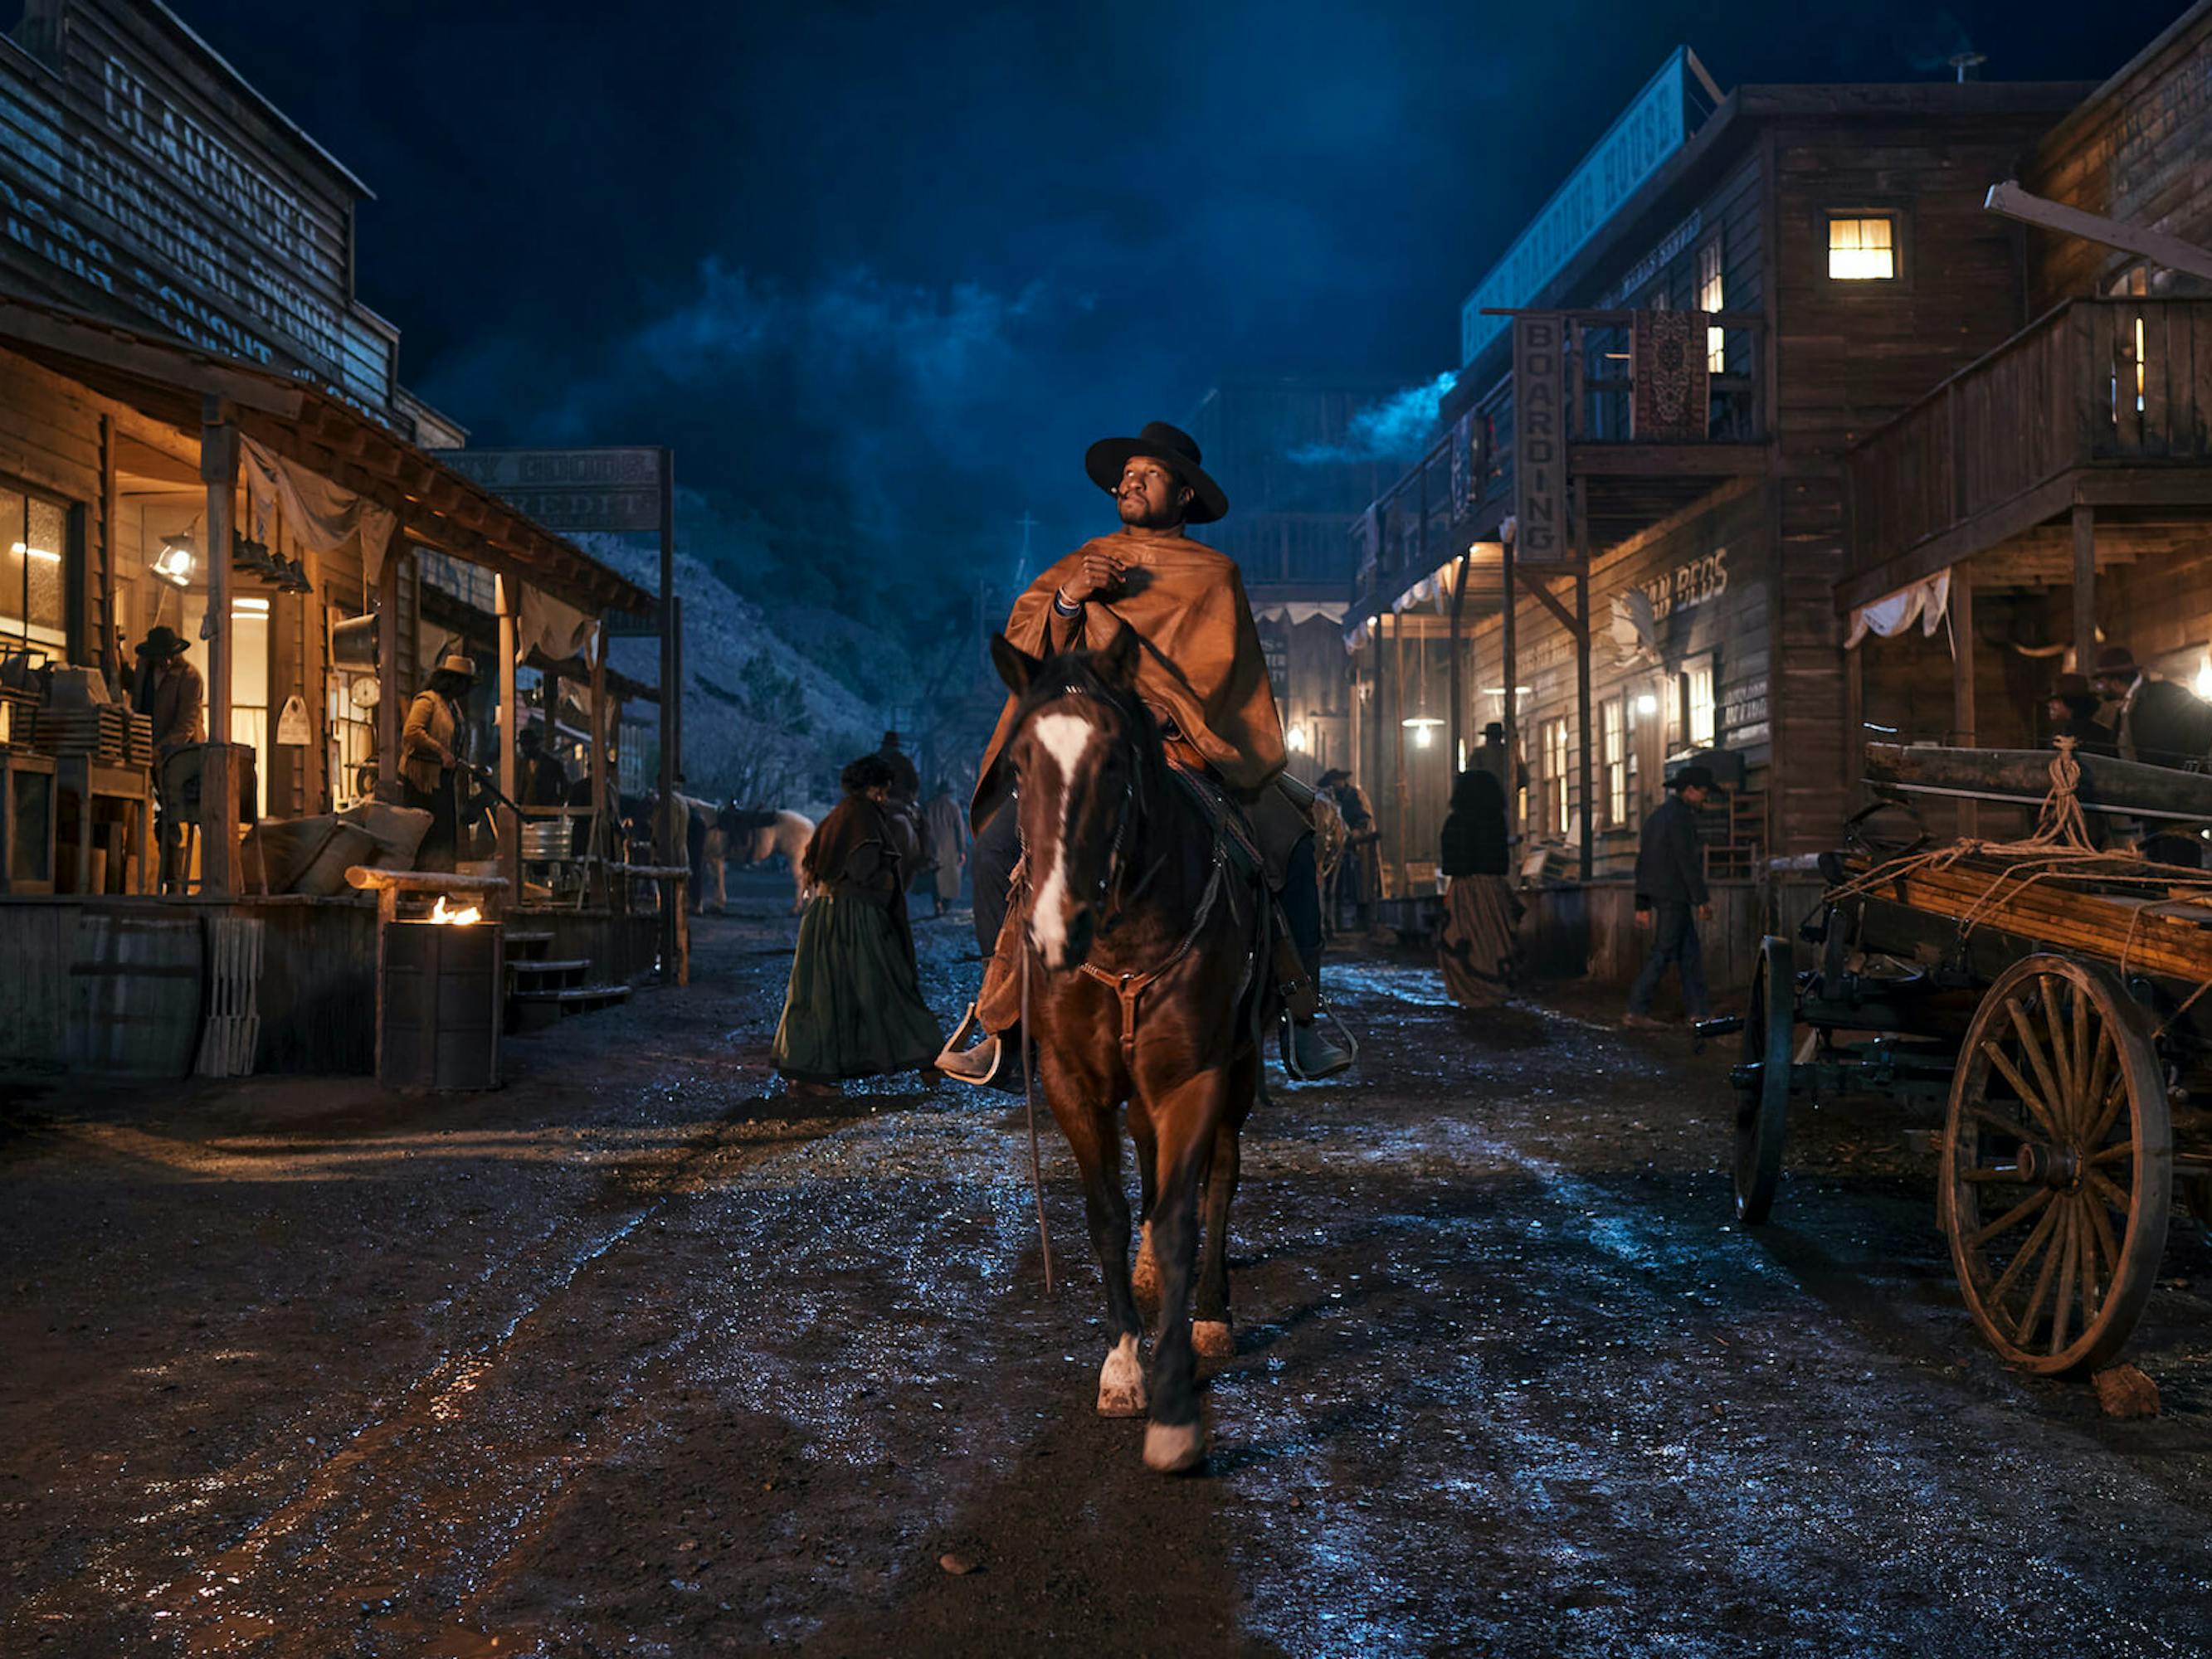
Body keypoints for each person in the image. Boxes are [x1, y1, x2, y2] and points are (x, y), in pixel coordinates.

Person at [938, 420, 1352, 1084]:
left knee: (1290, 839)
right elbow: (1025, 653)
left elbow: (1229, 680)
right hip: (1091, 748)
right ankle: (1004, 1022)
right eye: (1125, 475)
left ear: (1185, 494)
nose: (1130, 482)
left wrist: (1170, 712)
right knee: (994, 852)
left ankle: (1300, 1018)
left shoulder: (1215, 576)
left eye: (1148, 474)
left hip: (1187, 753)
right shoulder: (1085, 560)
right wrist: (1071, 598)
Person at [772, 753, 943, 1093]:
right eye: (882, 791)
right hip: (855, 918)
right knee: (885, 985)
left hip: (823, 918)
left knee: (823, 994)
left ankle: (810, 1072)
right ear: (875, 788)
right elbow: (865, 870)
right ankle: (927, 1059)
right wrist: (889, 887)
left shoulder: (836, 816)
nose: (883, 797)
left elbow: (815, 866)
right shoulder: (864, 816)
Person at [1625, 763, 1716, 1029]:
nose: (1705, 798)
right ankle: (1636, 1008)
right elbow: (1686, 861)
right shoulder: (1681, 818)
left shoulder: (1657, 817)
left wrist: (1641, 902)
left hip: (1663, 894)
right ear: (1690, 791)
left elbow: (1643, 861)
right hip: (1675, 895)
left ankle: (1698, 1011)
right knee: (1664, 952)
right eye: (1703, 792)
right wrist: (1701, 899)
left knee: (1689, 952)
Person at [1438, 768, 1519, 1009]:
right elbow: (1500, 859)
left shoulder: (1457, 821)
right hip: (1493, 887)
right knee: (1493, 938)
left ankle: (1473, 990)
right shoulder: (1496, 820)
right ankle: (1494, 987)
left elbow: (1453, 860)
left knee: (1467, 938)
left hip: (1466, 888)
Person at [134, 625, 205, 891]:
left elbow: (185, 725)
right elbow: (139, 701)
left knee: (176, 817)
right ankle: (167, 881)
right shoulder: (145, 670)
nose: (163, 661)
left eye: (167, 656)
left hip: (181, 757)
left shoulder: (189, 678)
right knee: (163, 820)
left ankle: (176, 885)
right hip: (148, 752)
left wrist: (160, 749)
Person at [401, 654, 479, 873]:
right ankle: (423, 883)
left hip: (443, 778)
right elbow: (412, 732)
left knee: (445, 832)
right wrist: (441, 751)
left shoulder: (451, 706)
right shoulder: (428, 701)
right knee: (428, 833)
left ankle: (441, 883)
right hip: (422, 779)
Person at [2091, 645, 2212, 770]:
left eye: (2101, 684)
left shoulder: (2163, 693)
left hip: (2172, 782)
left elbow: (2207, 718)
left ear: (2115, 682)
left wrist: (2187, 765)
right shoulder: (2124, 708)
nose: (2100, 690)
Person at [1318, 767, 1380, 932]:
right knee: (1334, 887)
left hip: (1357, 848)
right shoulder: (1328, 800)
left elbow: (1364, 819)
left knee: (1359, 885)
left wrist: (1355, 833)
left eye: (1336, 781)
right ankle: (1334, 921)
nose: (1334, 785)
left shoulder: (1355, 796)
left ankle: (1362, 920)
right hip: (1335, 848)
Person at [921, 778, 968, 917]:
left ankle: (938, 905)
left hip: (932, 846)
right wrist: (962, 850)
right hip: (950, 848)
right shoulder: (953, 807)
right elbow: (960, 830)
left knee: (935, 879)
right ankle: (945, 906)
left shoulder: (929, 806)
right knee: (950, 880)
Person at [2045, 672, 2117, 760]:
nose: (2050, 705)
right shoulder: (2104, 733)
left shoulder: (2062, 738)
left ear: (2070, 702)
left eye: (2055, 701)